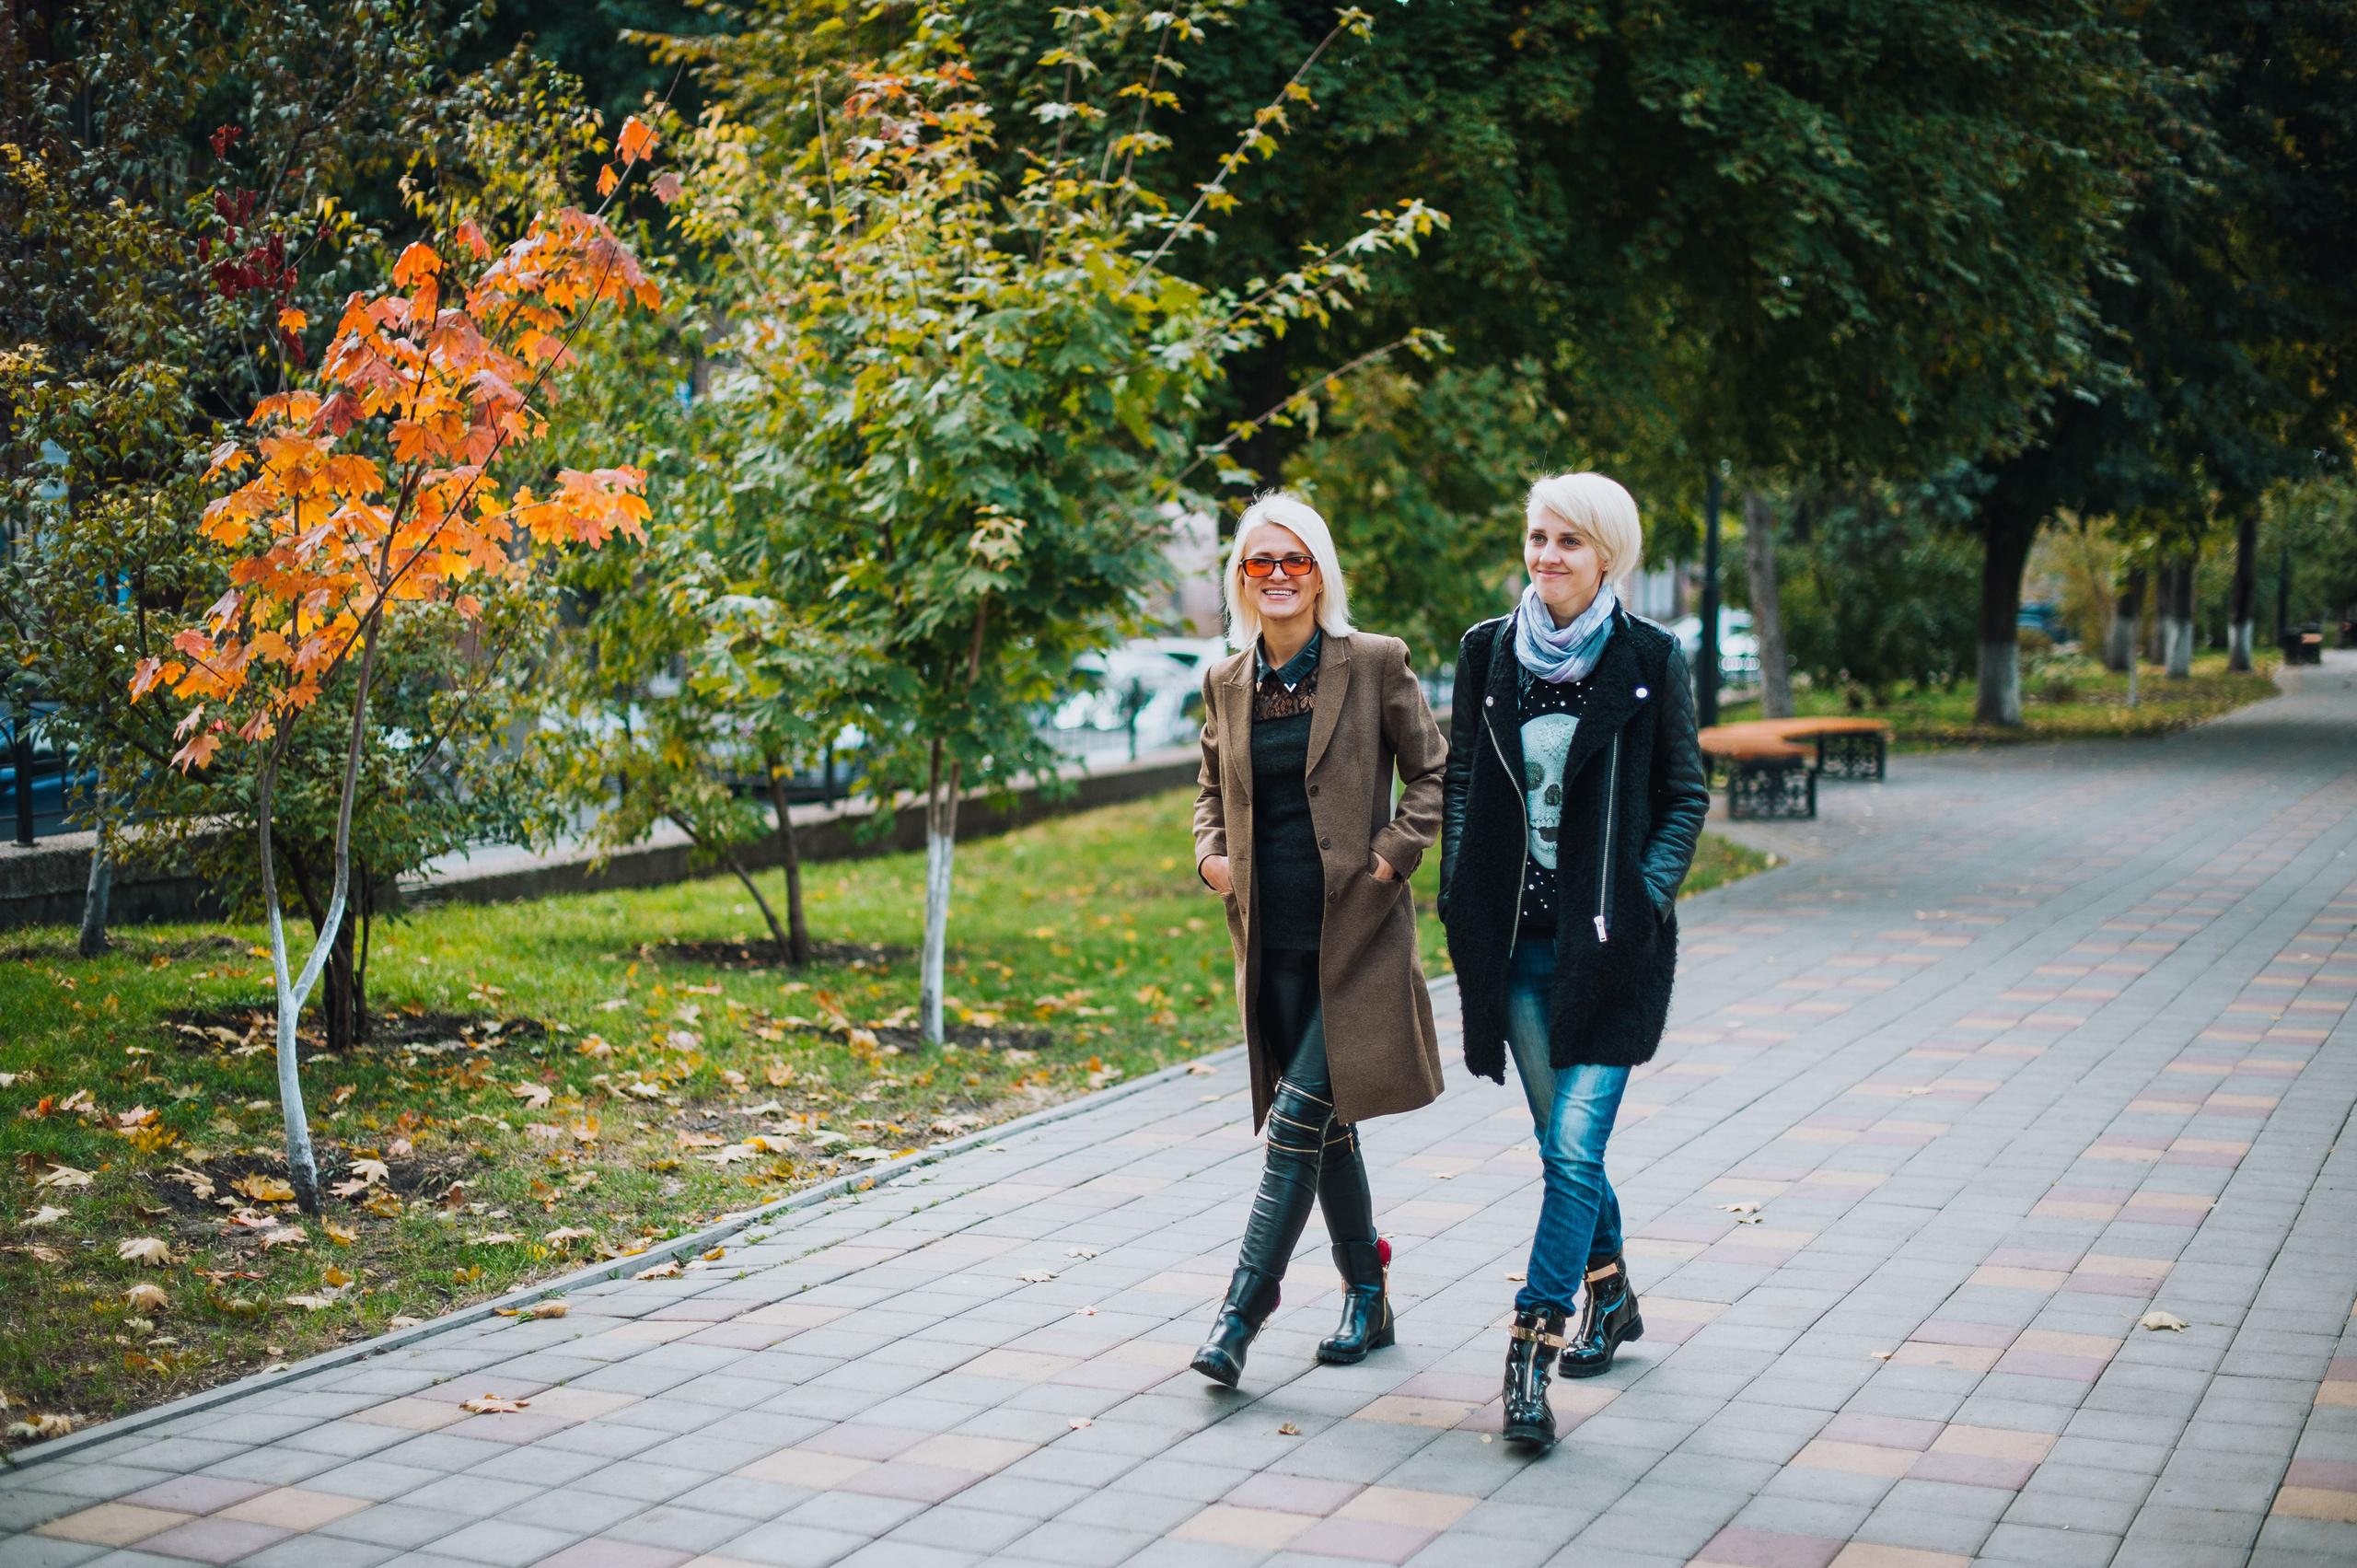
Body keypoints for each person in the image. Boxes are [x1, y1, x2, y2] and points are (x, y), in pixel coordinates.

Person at [1439, 471, 1710, 1450]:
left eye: (1568, 540)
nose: (1546, 555)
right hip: (1514, 946)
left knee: (1569, 1151)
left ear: (1607, 555)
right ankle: (1615, 1293)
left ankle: (1530, 1352)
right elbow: (1461, 775)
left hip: (1610, 952)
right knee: (1567, 1145)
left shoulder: (1650, 658)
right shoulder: (1488, 652)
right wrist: (1460, 887)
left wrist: (1642, 898)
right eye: (1537, 537)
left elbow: (1684, 794)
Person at [1190, 492, 1449, 1387]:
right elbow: (1209, 790)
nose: (1277, 575)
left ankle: (1239, 1316)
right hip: (1274, 948)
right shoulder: (1226, 680)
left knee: (1295, 1119)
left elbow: (1434, 772)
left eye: (1293, 559)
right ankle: (1368, 1295)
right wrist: (1212, 858)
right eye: (1259, 561)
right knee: (1324, 1129)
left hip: (1358, 942)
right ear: (1241, 577)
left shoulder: (1373, 662)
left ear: (1319, 573)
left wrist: (1391, 856)